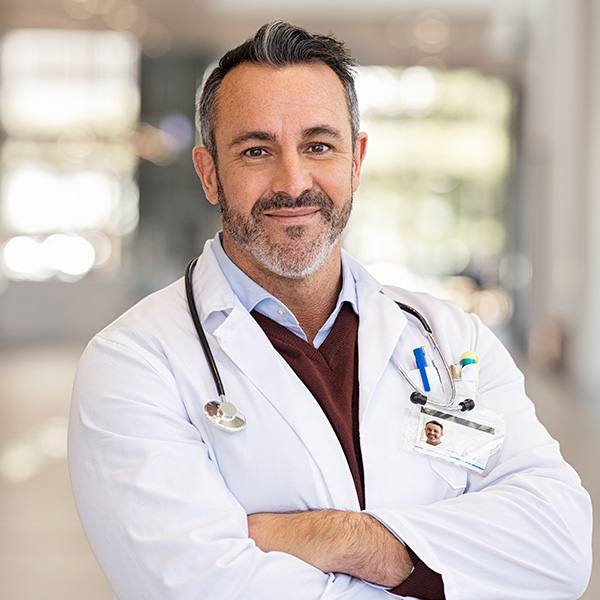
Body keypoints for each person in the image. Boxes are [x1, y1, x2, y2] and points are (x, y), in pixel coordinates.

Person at [68, 20, 592, 600]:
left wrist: (341, 538)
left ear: (356, 161)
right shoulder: (134, 364)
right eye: (256, 150)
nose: (293, 182)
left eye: (318, 145)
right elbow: (196, 586)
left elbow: (560, 548)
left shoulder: (451, 339)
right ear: (209, 173)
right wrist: (445, 572)